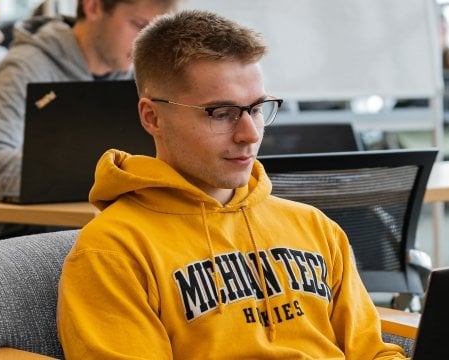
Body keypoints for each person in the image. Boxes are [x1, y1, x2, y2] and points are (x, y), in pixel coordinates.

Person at [57, 10, 407, 359]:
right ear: (152, 117)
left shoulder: (315, 227)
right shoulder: (111, 252)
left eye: (256, 109)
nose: (250, 135)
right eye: (221, 114)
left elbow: (372, 352)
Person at [0, 0, 177, 200]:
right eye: (138, 25)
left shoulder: (138, 77)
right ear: (93, 7)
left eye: (154, 33)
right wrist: (111, 175)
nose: (146, 45)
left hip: (91, 227)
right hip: (9, 232)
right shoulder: (26, 66)